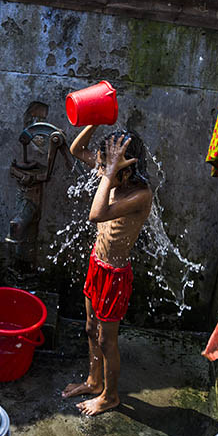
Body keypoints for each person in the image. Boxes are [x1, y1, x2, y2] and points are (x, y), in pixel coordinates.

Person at [61, 125, 153, 416]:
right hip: (96, 264)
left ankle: (110, 396)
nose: (100, 171)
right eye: (101, 165)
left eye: (107, 167)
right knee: (90, 328)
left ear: (127, 168)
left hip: (115, 274)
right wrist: (94, 120)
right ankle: (92, 380)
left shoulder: (140, 194)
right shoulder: (111, 175)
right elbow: (76, 150)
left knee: (105, 339)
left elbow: (96, 214)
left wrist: (110, 171)